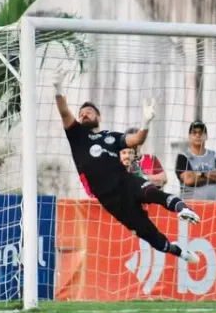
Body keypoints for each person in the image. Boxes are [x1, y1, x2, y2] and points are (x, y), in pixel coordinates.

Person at [53, 69, 200, 263]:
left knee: (152, 193)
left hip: (126, 182)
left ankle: (182, 209)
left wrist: (145, 123)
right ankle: (178, 251)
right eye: (81, 113)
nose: (84, 114)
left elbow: (137, 138)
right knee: (150, 236)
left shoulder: (112, 137)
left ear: (99, 117)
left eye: (89, 111)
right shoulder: (77, 136)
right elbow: (64, 111)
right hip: (110, 200)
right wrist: (58, 87)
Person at [175, 120, 216, 201]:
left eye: (201, 133)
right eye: (194, 133)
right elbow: (189, 180)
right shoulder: (183, 157)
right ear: (190, 136)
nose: (198, 135)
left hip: (214, 205)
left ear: (206, 136)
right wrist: (213, 176)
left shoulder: (215, 155)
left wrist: (201, 174)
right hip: (190, 206)